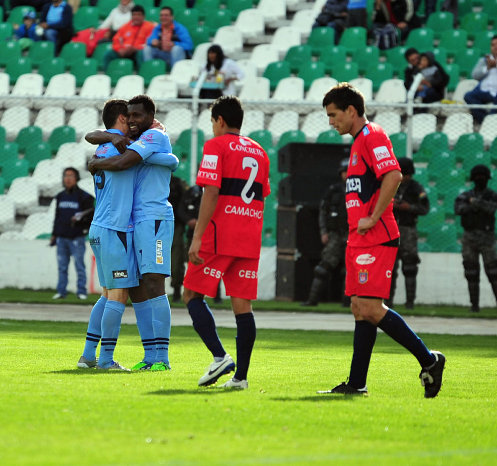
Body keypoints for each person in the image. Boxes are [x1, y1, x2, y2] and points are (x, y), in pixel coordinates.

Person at [317, 82, 445, 398]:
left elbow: (394, 175)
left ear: (351, 110)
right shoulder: (359, 141)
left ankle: (429, 360)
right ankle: (357, 383)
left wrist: (373, 217)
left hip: (376, 237)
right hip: (361, 239)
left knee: (370, 307)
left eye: (333, 115)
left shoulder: (372, 135)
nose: (331, 122)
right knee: (360, 309)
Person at [182, 96, 271, 390]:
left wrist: (197, 237)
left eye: (212, 122)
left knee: (191, 296)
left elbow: (211, 191)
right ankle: (241, 378)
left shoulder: (215, 146)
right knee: (242, 307)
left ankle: (220, 356)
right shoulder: (260, 151)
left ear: (219, 120)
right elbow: (262, 194)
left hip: (219, 235)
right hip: (249, 237)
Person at [87, 95, 178, 372]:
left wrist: (96, 163)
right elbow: (96, 135)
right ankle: (149, 355)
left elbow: (126, 161)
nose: (134, 120)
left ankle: (161, 356)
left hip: (154, 218)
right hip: (131, 223)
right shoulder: (128, 141)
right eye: (130, 116)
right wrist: (169, 160)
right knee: (137, 289)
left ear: (151, 116)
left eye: (138, 115)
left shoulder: (153, 136)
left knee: (153, 283)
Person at [78, 99, 140, 371]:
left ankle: (88, 355)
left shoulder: (103, 147)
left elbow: (92, 137)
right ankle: (105, 359)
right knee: (118, 294)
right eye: (131, 117)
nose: (135, 122)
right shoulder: (122, 146)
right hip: (115, 228)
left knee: (106, 294)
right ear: (122, 119)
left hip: (98, 227)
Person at [301, 158, 349, 307]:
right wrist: (324, 232)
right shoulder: (333, 190)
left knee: (350, 271)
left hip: (352, 234)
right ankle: (312, 300)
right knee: (323, 268)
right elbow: (323, 212)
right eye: (344, 172)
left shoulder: (359, 189)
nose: (347, 174)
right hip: (335, 234)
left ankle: (348, 303)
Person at [387, 157, 429, 309]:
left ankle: (410, 302)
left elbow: (424, 208)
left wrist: (408, 207)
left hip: (408, 229)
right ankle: (388, 301)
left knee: (410, 267)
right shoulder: (390, 184)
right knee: (389, 268)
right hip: (390, 229)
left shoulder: (416, 188)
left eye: (406, 175)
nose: (404, 178)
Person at [454, 164, 497, 313]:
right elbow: (458, 209)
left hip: (487, 237)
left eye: (483, 177)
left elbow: (492, 209)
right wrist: (475, 205)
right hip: (469, 237)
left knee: (493, 272)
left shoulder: (491, 195)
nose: (480, 179)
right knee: (471, 272)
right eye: (478, 177)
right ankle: (474, 306)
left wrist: (475, 203)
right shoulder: (465, 195)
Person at [50, 167, 94, 300]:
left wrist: (83, 227)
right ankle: (61, 291)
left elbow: (91, 215)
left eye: (71, 176)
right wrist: (54, 234)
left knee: (79, 265)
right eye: (66, 176)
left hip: (77, 237)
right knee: (62, 266)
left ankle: (81, 291)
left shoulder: (85, 197)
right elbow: (57, 217)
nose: (68, 179)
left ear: (76, 179)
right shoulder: (60, 196)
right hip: (62, 237)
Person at [103, 5, 155, 71]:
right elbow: (116, 40)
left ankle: (141, 75)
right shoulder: (125, 27)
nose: (136, 17)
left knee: (141, 54)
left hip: (137, 51)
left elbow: (149, 43)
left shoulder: (150, 27)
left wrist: (136, 48)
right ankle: (107, 75)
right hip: (124, 52)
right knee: (108, 54)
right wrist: (119, 49)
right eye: (134, 15)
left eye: (139, 15)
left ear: (143, 16)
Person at [464, 35, 497, 124]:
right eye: (493, 45)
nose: (495, 47)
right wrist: (488, 68)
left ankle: (491, 121)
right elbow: (474, 75)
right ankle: (486, 122)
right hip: (484, 90)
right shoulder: (484, 60)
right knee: (468, 96)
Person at [169, 174, 188, 302]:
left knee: (176, 261)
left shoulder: (177, 183)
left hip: (175, 225)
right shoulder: (153, 180)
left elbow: (184, 204)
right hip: (154, 225)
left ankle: (176, 289)